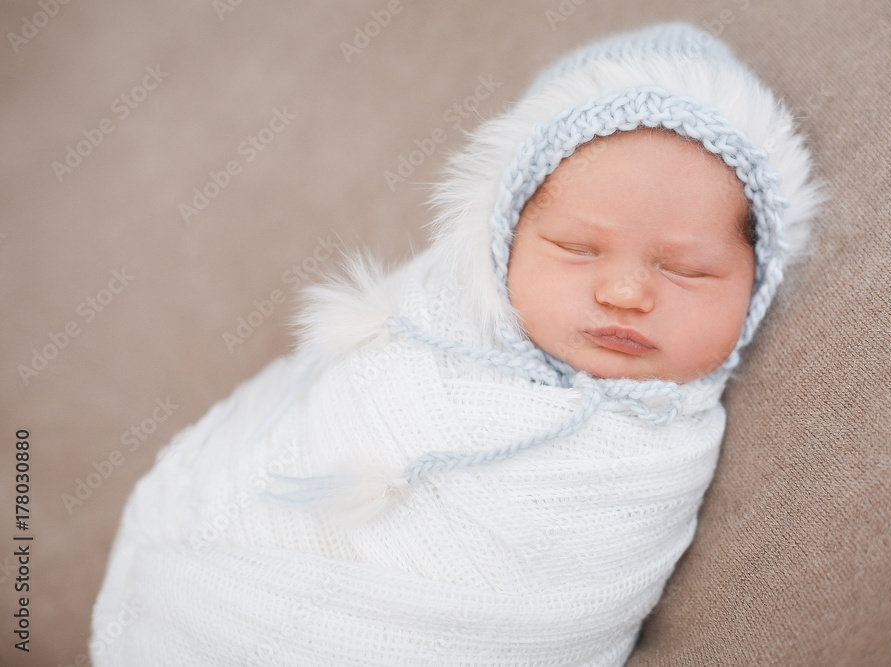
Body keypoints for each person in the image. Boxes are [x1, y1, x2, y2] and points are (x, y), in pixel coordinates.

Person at [91, 22, 821, 666]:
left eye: (686, 269)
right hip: (218, 597)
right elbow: (301, 424)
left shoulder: (653, 458)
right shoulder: (424, 329)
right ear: (502, 241)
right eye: (576, 248)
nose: (627, 292)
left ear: (757, 285)